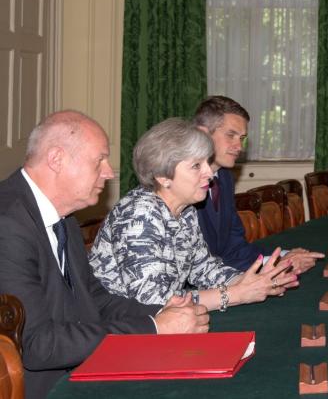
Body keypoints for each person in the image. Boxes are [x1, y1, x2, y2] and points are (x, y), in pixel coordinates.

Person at [0, 111, 209, 399]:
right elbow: (37, 344)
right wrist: (154, 327)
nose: (110, 171)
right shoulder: (8, 223)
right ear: (57, 159)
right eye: (99, 160)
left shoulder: (63, 217)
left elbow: (93, 297)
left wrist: (160, 312)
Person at [90, 118, 297, 308]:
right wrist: (236, 294)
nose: (209, 173)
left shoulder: (186, 209)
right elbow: (154, 301)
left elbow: (204, 268)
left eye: (207, 162)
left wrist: (250, 280)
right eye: (196, 165)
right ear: (163, 176)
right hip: (116, 332)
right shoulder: (138, 216)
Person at [193, 95, 322, 273]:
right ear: (202, 134)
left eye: (242, 138)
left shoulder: (224, 178)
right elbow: (196, 268)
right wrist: (277, 265)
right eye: (231, 135)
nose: (239, 147)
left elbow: (234, 246)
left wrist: (282, 257)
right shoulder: (180, 185)